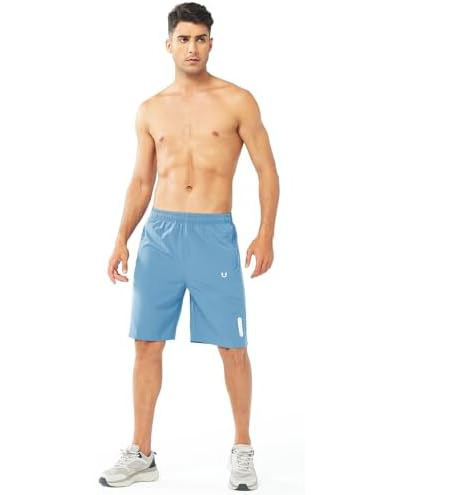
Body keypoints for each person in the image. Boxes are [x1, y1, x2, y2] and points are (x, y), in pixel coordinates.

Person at [100, 2, 279, 490]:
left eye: (200, 39)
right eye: (184, 39)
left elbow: (267, 169)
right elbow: (142, 180)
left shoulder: (237, 100)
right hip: (160, 236)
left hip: (213, 237)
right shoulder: (151, 108)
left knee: (232, 346)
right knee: (146, 343)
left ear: (211, 44)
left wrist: (266, 232)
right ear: (169, 44)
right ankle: (141, 453)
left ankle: (242, 450)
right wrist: (121, 238)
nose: (192, 48)